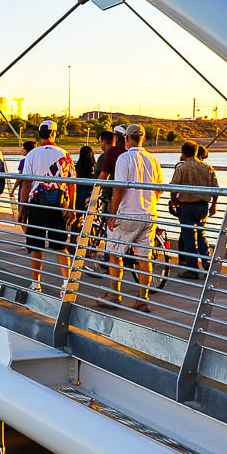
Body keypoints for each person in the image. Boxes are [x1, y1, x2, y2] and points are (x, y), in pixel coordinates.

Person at [102, 124, 163, 313]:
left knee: (115, 253)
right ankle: (142, 299)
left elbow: (119, 187)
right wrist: (150, 202)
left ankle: (114, 295)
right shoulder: (153, 159)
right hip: (148, 213)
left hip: (127, 213)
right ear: (143, 139)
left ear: (127, 139)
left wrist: (113, 213)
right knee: (144, 257)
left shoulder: (124, 158)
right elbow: (159, 187)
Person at [18, 120, 74, 294]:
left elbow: (26, 184)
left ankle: (36, 283)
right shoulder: (64, 153)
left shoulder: (32, 155)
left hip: (37, 205)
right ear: (55, 133)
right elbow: (72, 183)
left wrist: (21, 208)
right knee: (60, 245)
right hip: (59, 205)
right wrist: (72, 207)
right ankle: (65, 284)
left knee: (35, 246)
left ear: (40, 134)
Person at [169, 140, 219, 279]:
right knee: (201, 235)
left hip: (186, 206)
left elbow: (174, 186)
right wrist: (214, 204)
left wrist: (173, 200)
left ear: (183, 153)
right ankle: (207, 263)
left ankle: (192, 269)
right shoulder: (207, 167)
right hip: (203, 206)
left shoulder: (182, 168)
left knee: (189, 238)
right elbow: (216, 189)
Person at [96, 124, 129, 214]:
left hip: (111, 195)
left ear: (117, 138)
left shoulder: (112, 152)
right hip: (132, 198)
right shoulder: (134, 153)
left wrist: (93, 195)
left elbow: (103, 176)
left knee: (110, 222)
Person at [74, 145, 96, 229]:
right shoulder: (93, 168)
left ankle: (73, 238)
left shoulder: (77, 167)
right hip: (91, 196)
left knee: (76, 219)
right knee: (90, 220)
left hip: (78, 196)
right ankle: (89, 238)